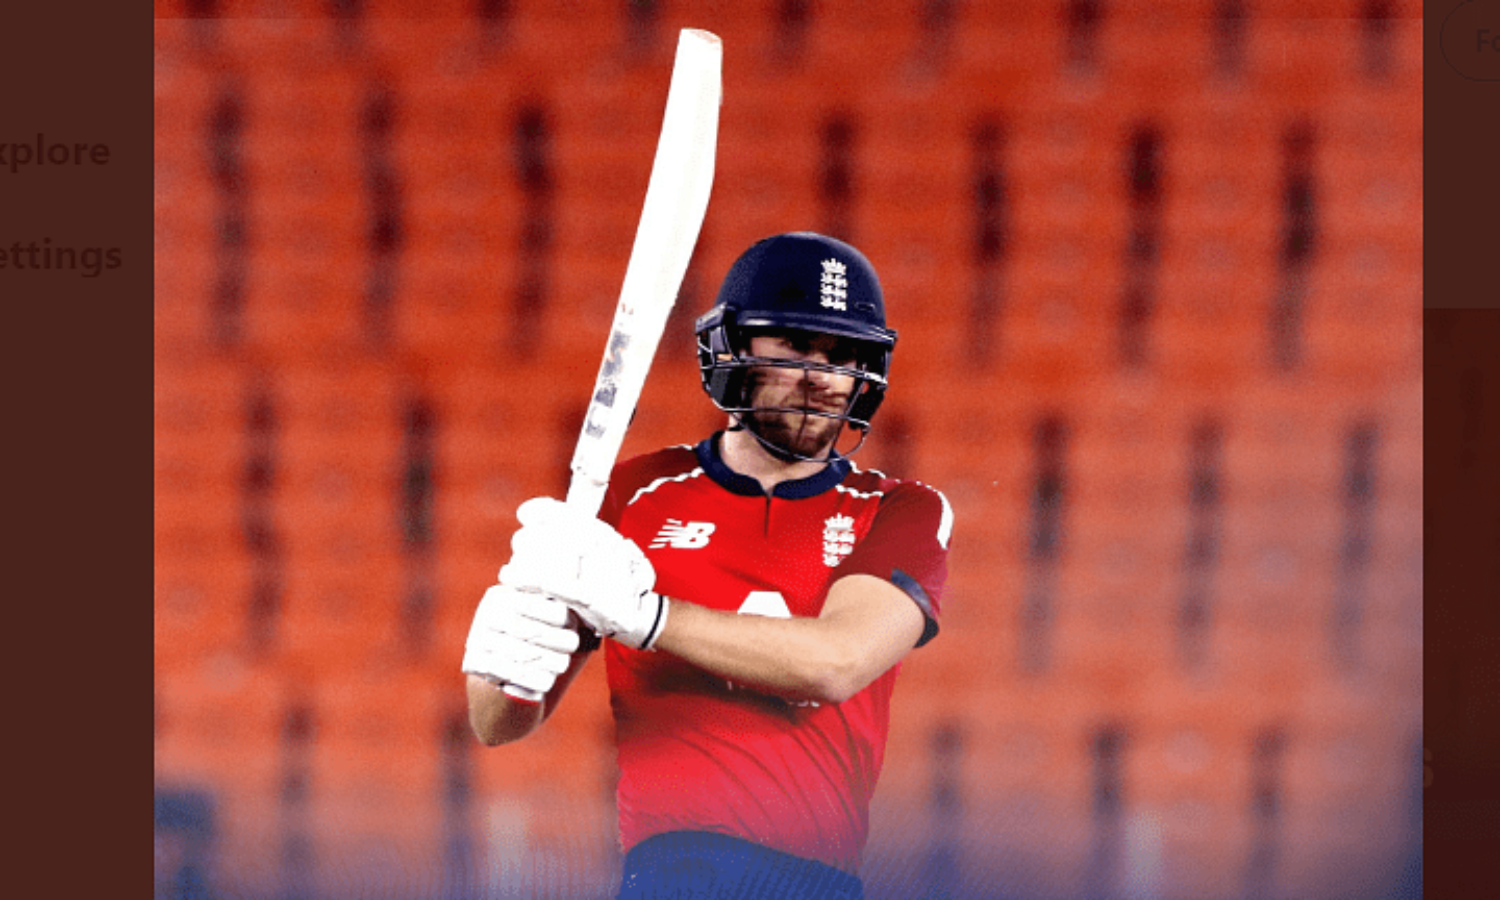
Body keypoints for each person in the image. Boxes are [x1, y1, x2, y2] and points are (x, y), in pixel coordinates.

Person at [462, 231, 953, 899]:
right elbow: (496, 723)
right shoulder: (629, 493)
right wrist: (505, 651)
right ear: (734, 350)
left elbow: (837, 662)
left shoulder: (901, 509)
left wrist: (649, 618)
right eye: (794, 346)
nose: (819, 375)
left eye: (841, 355)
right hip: (669, 875)